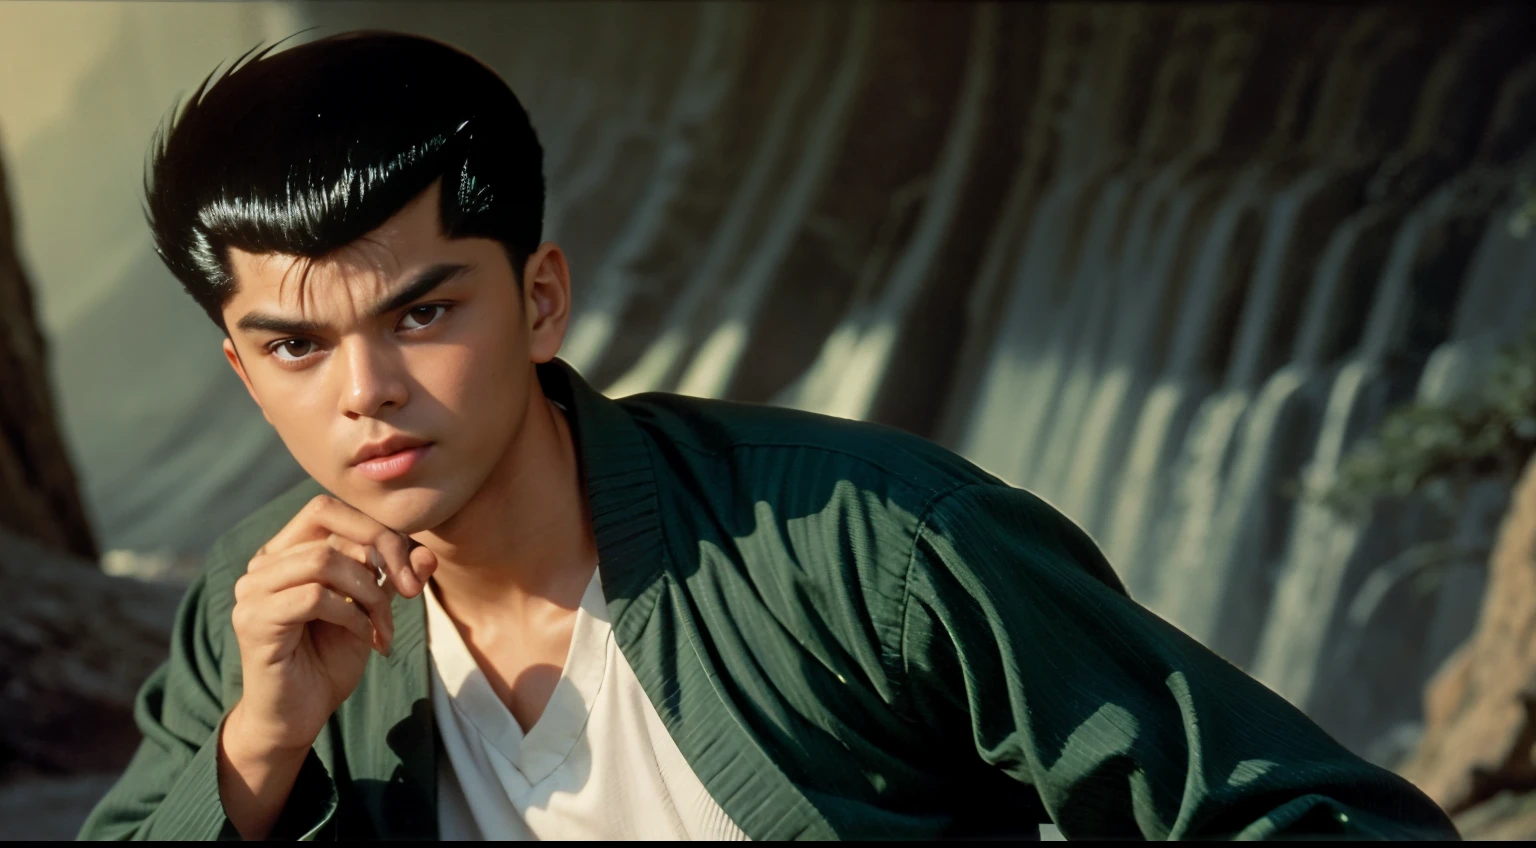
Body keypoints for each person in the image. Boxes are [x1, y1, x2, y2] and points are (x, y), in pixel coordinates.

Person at [79, 30, 1459, 841]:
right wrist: (258, 748)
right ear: (243, 371)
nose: (365, 390)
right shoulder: (262, 611)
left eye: (425, 312)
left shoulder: (860, 543)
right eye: (298, 346)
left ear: (540, 298)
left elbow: (1310, 816)